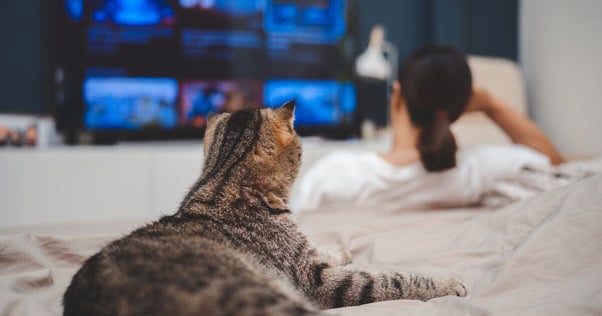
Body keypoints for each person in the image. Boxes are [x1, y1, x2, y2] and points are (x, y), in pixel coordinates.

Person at [290, 45, 564, 213]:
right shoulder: (476, 168)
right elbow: (554, 165)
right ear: (460, 108)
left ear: (396, 95)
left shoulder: (335, 173)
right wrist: (492, 104)